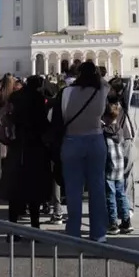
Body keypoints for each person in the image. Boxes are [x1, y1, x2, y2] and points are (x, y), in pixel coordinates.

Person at [57, 61, 110, 241]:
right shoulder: (102, 90)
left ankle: (73, 231)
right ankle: (99, 232)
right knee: (97, 187)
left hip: (72, 141)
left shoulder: (67, 92)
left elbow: (61, 117)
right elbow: (106, 84)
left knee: (73, 189)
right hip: (96, 140)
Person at [3, 75, 53, 230]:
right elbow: (43, 124)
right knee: (34, 190)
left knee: (15, 188)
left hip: (17, 145)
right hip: (35, 147)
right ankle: (35, 225)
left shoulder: (15, 97)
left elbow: (9, 119)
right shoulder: (38, 99)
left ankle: (12, 226)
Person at [103, 97, 133, 235]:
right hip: (120, 166)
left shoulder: (104, 131)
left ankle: (113, 223)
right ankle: (126, 221)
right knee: (121, 194)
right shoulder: (120, 130)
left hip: (109, 166)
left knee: (110, 195)